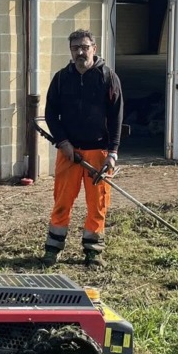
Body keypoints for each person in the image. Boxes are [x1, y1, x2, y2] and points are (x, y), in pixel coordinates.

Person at [42, 28, 124, 267]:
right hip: (69, 153)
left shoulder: (108, 77)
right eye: (75, 48)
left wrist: (113, 152)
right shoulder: (61, 79)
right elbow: (51, 114)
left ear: (94, 49)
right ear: (70, 51)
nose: (80, 52)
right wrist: (63, 142)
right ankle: (53, 248)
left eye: (85, 47)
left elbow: (117, 117)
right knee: (62, 201)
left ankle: (93, 251)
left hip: (98, 153)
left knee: (97, 204)